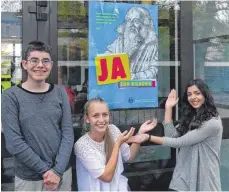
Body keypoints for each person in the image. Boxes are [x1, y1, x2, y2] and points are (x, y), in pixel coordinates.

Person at [1, 40, 74, 191]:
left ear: (51, 65)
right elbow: (14, 143)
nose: (40, 65)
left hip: (62, 174)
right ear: (24, 64)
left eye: (45, 61)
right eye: (34, 60)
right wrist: (46, 171)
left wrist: (57, 170)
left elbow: (67, 133)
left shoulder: (60, 92)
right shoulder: (11, 96)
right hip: (29, 179)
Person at [128, 79, 223, 191]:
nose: (193, 97)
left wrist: (149, 137)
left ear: (205, 95)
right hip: (183, 179)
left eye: (197, 93)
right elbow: (172, 137)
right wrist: (168, 108)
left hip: (203, 180)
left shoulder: (212, 123)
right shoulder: (192, 117)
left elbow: (179, 142)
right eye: (189, 94)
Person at [74, 97, 157, 191]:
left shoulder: (113, 130)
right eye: (96, 115)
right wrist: (117, 144)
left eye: (105, 115)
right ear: (87, 119)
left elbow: (129, 156)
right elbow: (107, 177)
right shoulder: (81, 145)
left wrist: (140, 133)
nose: (101, 120)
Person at [105, 7, 158, 80]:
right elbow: (106, 59)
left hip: (141, 89)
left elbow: (154, 69)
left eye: (136, 21)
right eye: (129, 20)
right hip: (118, 87)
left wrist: (135, 77)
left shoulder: (152, 45)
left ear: (144, 25)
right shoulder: (119, 41)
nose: (131, 24)